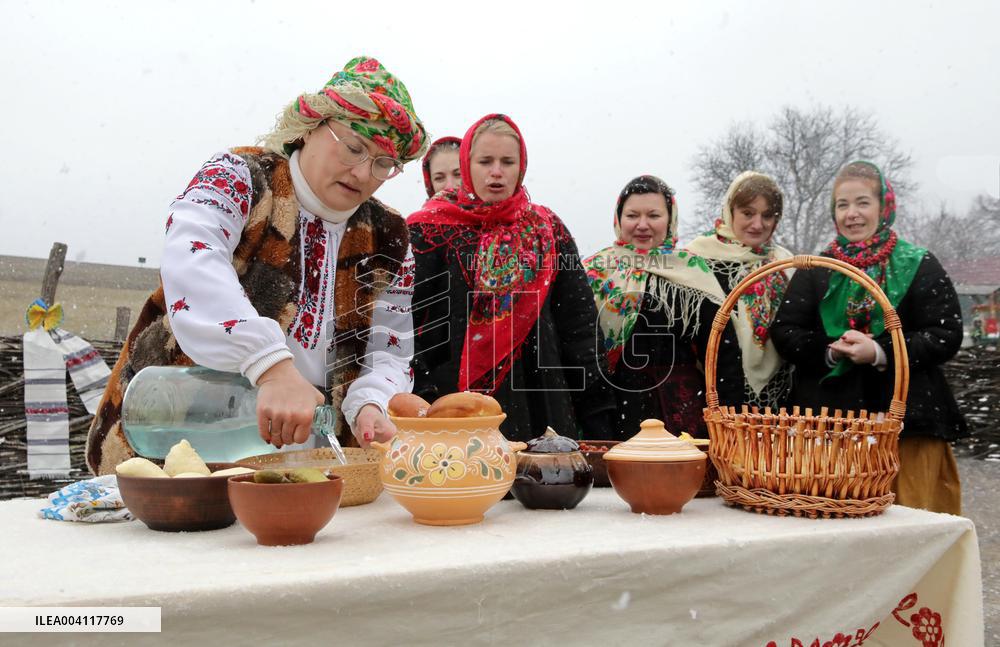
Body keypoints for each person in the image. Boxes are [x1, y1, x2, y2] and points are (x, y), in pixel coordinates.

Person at [86, 56, 428, 475]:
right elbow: (194, 256)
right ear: (311, 126)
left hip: (315, 459)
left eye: (382, 163)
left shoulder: (390, 237)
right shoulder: (239, 177)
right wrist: (270, 366)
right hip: (187, 437)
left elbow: (389, 346)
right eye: (353, 147)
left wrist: (371, 401)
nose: (362, 173)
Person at [771, 161, 966, 514]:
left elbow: (945, 333)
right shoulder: (817, 269)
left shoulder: (919, 264)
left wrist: (879, 351)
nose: (852, 214)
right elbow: (786, 331)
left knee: (910, 523)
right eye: (842, 205)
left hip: (908, 424)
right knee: (833, 520)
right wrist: (830, 351)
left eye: (862, 202)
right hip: (828, 426)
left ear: (883, 206)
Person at [407, 114, 616, 442]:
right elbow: (409, 321)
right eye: (485, 161)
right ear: (467, 166)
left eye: (507, 162)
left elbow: (579, 326)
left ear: (522, 167)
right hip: (452, 402)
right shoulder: (429, 230)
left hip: (541, 395)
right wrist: (424, 394)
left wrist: (597, 411)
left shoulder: (548, 228)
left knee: (541, 471)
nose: (496, 171)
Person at [584, 175, 724, 438]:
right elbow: (580, 345)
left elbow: (719, 350)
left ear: (670, 219)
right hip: (614, 408)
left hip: (681, 410)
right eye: (632, 215)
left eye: (653, 215)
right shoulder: (595, 272)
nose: (642, 225)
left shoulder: (693, 272)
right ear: (619, 219)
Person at [684, 172, 794, 410]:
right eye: (748, 213)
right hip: (713, 396)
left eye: (767, 215)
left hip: (780, 401)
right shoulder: (697, 259)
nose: (758, 224)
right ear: (730, 211)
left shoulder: (786, 264)